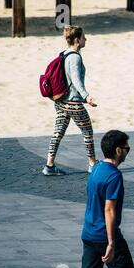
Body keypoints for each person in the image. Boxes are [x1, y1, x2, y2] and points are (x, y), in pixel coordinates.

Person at [76, 130, 134, 268]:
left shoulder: (96, 167)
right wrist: (111, 243)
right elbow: (109, 210)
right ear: (118, 150)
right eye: (127, 149)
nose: (127, 152)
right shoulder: (114, 175)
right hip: (105, 236)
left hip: (89, 233)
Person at [42, 25, 98, 176]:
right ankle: (92, 164)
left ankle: (49, 165)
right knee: (87, 131)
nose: (86, 39)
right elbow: (75, 79)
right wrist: (86, 96)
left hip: (61, 102)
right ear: (78, 40)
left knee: (58, 133)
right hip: (72, 103)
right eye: (84, 37)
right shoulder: (74, 57)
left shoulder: (64, 54)